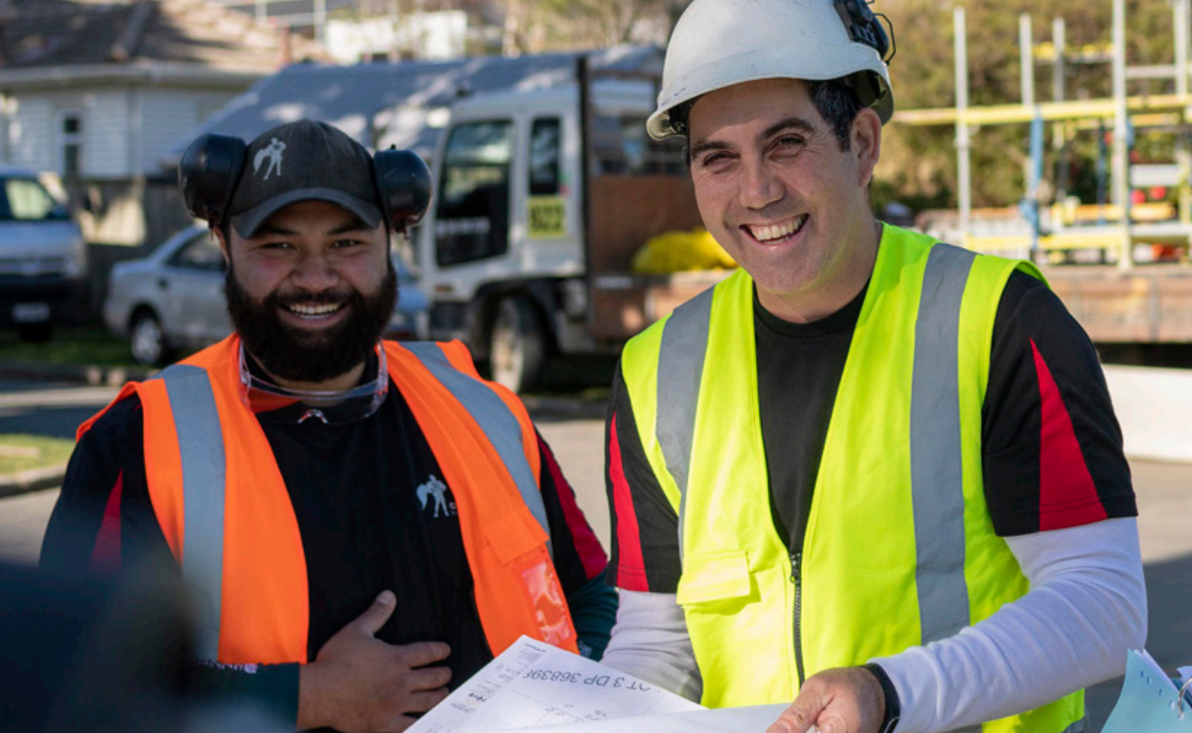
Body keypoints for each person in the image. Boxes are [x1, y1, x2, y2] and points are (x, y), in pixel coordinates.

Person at [598, 1, 1147, 732]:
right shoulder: (656, 371)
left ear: (861, 144)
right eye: (718, 158)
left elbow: (1104, 601)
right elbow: (656, 642)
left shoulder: (998, 322)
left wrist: (891, 694)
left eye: (785, 144)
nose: (756, 191)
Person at [41, 119, 616, 733]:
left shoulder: (486, 411)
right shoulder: (139, 443)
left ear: (392, 238)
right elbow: (66, 673)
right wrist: (304, 697)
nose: (315, 278)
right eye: (278, 245)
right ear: (222, 242)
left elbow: (596, 599)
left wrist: (577, 695)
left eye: (346, 243)